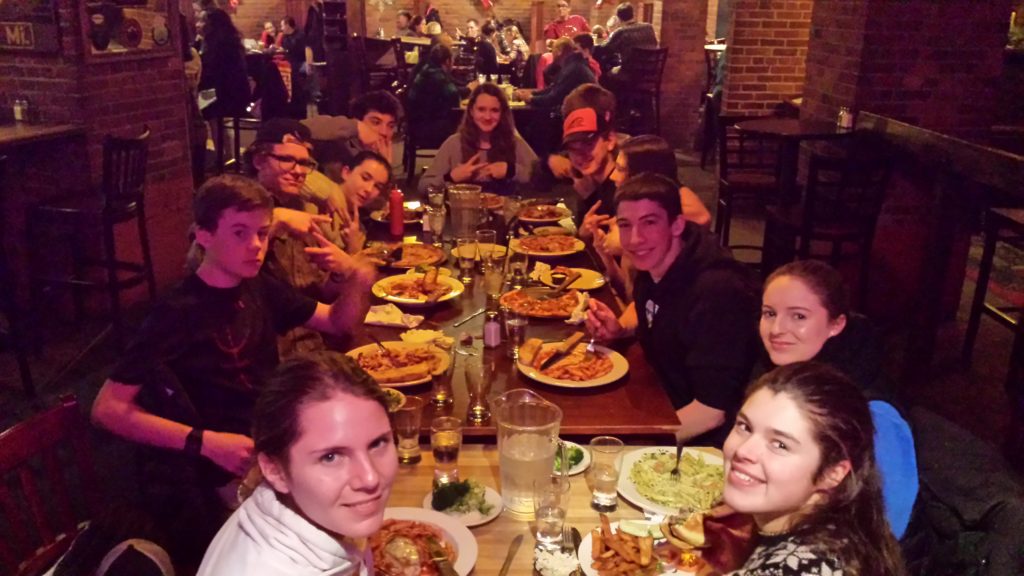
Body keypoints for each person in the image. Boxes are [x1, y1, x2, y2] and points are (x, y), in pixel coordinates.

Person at [90, 174, 371, 569]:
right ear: (203, 235)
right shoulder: (176, 310)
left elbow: (338, 323)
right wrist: (205, 442)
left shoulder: (257, 286)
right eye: (240, 233)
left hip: (270, 443)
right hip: (216, 473)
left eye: (262, 233)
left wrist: (357, 275)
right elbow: (107, 410)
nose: (256, 246)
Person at [585, 173, 760, 447]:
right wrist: (620, 330)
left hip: (711, 443)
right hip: (661, 402)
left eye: (649, 223)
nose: (635, 239)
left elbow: (712, 412)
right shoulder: (655, 265)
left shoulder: (718, 292)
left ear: (677, 224)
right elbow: (661, 317)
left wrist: (628, 446)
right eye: (625, 225)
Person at [757, 260, 918, 539]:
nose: (776, 329)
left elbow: (886, 527)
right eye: (769, 313)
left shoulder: (873, 414)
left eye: (798, 317)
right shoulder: (780, 371)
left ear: (836, 324)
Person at [197, 353, 399, 575]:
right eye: (330, 457)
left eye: (378, 443)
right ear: (275, 471)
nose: (370, 478)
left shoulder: (315, 515)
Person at [723, 362, 907, 576]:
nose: (744, 451)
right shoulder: (846, 530)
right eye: (745, 427)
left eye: (780, 444)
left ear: (833, 473)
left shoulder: (796, 567)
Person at [250, 119, 376, 357]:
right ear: (258, 160)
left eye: (305, 163)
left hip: (315, 346)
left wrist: (341, 272)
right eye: (287, 159)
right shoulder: (235, 208)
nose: (298, 171)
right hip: (271, 360)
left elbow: (321, 293)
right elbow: (204, 261)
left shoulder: (303, 209)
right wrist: (276, 219)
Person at [589, 134, 713, 297]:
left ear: (643, 174)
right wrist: (605, 255)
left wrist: (625, 243)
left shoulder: (676, 205)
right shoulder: (637, 206)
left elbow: (702, 217)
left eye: (620, 169)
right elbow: (630, 293)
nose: (613, 177)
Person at [419, 83, 538, 195]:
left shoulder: (514, 143)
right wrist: (451, 177)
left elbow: (542, 178)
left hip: (504, 214)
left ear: (502, 113)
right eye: (481, 109)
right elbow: (423, 186)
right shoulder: (454, 143)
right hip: (463, 214)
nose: (487, 117)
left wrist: (511, 170)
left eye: (494, 110)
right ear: (471, 111)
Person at [302, 90, 401, 181]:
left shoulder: (381, 155)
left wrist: (385, 167)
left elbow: (383, 197)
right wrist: (355, 127)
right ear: (359, 121)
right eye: (375, 122)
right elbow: (300, 127)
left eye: (390, 126)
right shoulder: (338, 142)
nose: (384, 132)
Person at [198, 8, 251, 122]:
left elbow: (213, 74)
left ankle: (214, 137)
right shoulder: (226, 40)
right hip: (233, 93)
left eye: (202, 21)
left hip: (225, 95)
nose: (198, 24)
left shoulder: (221, 44)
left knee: (199, 108)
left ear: (212, 24)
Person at [515, 37, 594, 109]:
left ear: (559, 51)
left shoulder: (573, 69)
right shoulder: (573, 65)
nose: (552, 54)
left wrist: (530, 98)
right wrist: (531, 93)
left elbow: (553, 99)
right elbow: (553, 89)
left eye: (553, 50)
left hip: (577, 115)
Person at [407, 44, 463, 146]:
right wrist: (470, 89)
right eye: (452, 60)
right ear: (447, 61)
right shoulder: (436, 75)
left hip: (415, 125)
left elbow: (449, 88)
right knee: (466, 127)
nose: (453, 63)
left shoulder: (427, 68)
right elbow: (454, 96)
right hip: (426, 129)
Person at [593, 1, 657, 73]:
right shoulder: (649, 27)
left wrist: (592, 46)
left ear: (618, 18)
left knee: (605, 70)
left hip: (630, 72)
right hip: (650, 69)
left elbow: (605, 49)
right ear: (633, 14)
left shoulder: (622, 32)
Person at [278, 17, 308, 118]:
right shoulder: (285, 37)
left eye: (282, 25)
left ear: (287, 25)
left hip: (299, 63)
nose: (281, 28)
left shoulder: (300, 36)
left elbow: (299, 51)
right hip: (290, 63)